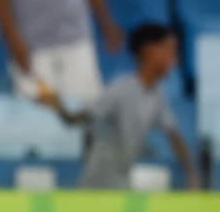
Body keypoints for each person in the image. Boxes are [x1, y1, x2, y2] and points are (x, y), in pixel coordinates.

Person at [38, 23, 200, 190]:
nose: (174, 60)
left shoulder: (157, 94)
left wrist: (191, 173)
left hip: (122, 180)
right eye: (169, 50)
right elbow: (76, 119)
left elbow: (173, 134)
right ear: (149, 51)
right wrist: (57, 105)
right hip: (98, 182)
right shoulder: (121, 89)